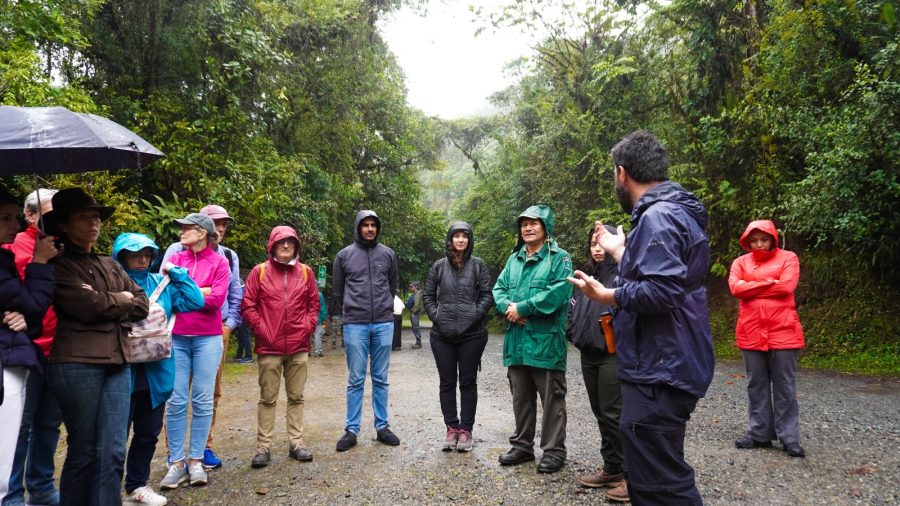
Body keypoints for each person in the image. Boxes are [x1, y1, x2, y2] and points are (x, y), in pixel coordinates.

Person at [568, 130, 715, 504]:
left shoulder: (659, 217)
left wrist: (608, 294)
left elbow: (663, 292)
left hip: (660, 366)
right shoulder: (673, 212)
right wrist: (621, 252)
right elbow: (668, 279)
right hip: (665, 362)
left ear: (622, 173)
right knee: (654, 475)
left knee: (661, 484)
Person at [42, 188, 150, 506]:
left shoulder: (109, 263)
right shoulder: (59, 265)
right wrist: (119, 300)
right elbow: (86, 305)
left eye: (96, 216)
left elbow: (142, 303)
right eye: (84, 216)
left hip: (117, 362)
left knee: (114, 450)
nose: (94, 222)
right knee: (84, 449)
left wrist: (112, 301)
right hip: (76, 363)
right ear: (63, 224)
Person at [112, 233, 204, 506]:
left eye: (146, 255)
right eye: (134, 254)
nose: (141, 260)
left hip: (156, 374)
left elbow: (195, 301)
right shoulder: (113, 283)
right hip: (120, 373)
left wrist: (175, 271)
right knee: (115, 438)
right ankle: (106, 490)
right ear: (122, 257)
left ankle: (136, 487)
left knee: (147, 434)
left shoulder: (160, 284)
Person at [492, 205, 573, 474]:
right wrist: (508, 308)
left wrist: (523, 308)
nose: (527, 228)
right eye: (523, 224)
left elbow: (559, 293)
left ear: (545, 227)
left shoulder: (559, 258)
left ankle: (553, 451)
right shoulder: (514, 259)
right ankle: (522, 446)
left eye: (533, 223)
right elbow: (499, 288)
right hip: (517, 342)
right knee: (520, 397)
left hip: (546, 343)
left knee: (552, 399)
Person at [159, 204, 241, 469]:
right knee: (176, 398)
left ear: (202, 233)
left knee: (207, 396)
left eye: (187, 227)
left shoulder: (224, 258)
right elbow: (166, 294)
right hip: (178, 335)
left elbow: (223, 297)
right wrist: (200, 292)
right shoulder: (175, 254)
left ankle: (200, 453)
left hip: (211, 333)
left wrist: (229, 323)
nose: (181, 231)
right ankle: (175, 459)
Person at [3, 188, 62, 506]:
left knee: (49, 424)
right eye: (49, 213)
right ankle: (11, 494)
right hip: (26, 350)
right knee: (18, 426)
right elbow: (16, 298)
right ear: (31, 215)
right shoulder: (13, 244)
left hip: (59, 347)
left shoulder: (60, 245)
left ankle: (41, 486)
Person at [242, 226, 319, 468]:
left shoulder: (306, 273)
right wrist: (262, 331)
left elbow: (314, 305)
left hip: (298, 346)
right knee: (268, 399)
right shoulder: (260, 272)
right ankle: (263, 447)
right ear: (272, 245)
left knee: (296, 397)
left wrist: (306, 327)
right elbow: (248, 306)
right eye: (281, 242)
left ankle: (296, 443)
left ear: (296, 246)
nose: (286, 246)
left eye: (290, 242)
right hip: (269, 348)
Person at [729, 220, 806, 458]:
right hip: (751, 330)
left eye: (763, 239)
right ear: (747, 242)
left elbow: (786, 287)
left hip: (784, 331)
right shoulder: (740, 262)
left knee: (785, 386)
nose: (759, 244)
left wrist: (750, 285)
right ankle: (759, 434)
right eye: (754, 240)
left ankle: (789, 438)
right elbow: (735, 289)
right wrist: (769, 282)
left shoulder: (788, 257)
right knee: (757, 384)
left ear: (773, 238)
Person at [568, 225, 628, 502]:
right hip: (588, 353)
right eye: (593, 243)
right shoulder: (587, 274)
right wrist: (573, 330)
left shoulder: (624, 273)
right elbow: (573, 307)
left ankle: (632, 475)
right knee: (600, 412)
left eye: (602, 242)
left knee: (614, 413)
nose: (597, 247)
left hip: (613, 353)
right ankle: (612, 468)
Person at [332, 210, 400, 451]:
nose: (370, 229)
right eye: (365, 225)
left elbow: (392, 287)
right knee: (356, 379)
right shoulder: (344, 256)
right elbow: (338, 291)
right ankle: (351, 430)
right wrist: (349, 314)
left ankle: (382, 427)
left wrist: (383, 310)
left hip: (383, 322)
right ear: (358, 228)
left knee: (381, 378)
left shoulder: (388, 254)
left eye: (373, 225)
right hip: (355, 324)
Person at [423, 222, 493, 452]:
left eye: (465, 236)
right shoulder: (439, 266)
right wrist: (436, 315)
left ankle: (466, 430)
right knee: (446, 382)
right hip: (442, 335)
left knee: (468, 381)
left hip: (472, 334)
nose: (461, 240)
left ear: (470, 240)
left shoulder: (479, 266)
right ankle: (451, 428)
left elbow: (486, 294)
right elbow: (428, 294)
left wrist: (474, 313)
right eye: (457, 236)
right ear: (450, 239)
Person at [407, 283, 423, 349]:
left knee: (416, 328)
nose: (410, 288)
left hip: (415, 313)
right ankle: (418, 342)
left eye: (412, 287)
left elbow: (417, 305)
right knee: (414, 328)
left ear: (415, 287)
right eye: (410, 287)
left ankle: (419, 343)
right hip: (413, 313)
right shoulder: (414, 294)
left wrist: (413, 313)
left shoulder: (417, 294)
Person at [312, 289, 327, 357]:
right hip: (317, 318)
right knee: (317, 335)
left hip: (307, 318)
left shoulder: (305, 292)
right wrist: (324, 319)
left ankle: (307, 352)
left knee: (307, 336)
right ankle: (318, 352)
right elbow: (323, 308)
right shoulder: (319, 295)